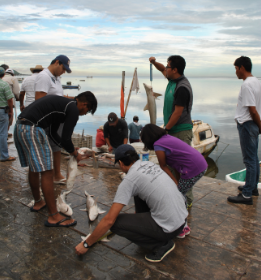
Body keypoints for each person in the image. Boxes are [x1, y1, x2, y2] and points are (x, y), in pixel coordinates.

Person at [75, 144, 188, 262]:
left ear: (121, 163)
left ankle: (161, 245)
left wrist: (86, 244)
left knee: (116, 224)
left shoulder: (129, 180)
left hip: (169, 229)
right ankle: (150, 229)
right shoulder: (149, 164)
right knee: (139, 192)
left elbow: (109, 220)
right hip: (182, 220)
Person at [14, 91, 97, 227]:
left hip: (20, 126)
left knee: (34, 168)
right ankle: (54, 216)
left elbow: (53, 134)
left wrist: (71, 149)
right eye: (87, 110)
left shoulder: (63, 106)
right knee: (47, 172)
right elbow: (65, 138)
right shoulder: (73, 109)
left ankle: (38, 202)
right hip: (33, 129)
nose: (84, 113)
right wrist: (75, 154)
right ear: (84, 104)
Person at [141, 124, 207, 237]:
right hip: (201, 164)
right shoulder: (167, 138)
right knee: (180, 193)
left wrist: (175, 183)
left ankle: (181, 227)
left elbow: (163, 166)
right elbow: (176, 164)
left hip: (193, 169)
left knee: (177, 196)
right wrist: (177, 181)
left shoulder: (158, 145)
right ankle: (183, 223)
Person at [149, 55, 194, 207]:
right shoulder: (172, 80)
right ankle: (177, 196)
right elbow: (162, 69)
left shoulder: (182, 87)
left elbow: (177, 113)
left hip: (180, 131)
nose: (165, 69)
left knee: (183, 169)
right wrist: (154, 62)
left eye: (168, 67)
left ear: (175, 70)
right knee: (174, 166)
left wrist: (165, 129)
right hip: (172, 130)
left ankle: (186, 201)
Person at [227, 56, 261, 205]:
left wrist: (260, 126)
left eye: (236, 68)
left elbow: (252, 111)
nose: (235, 72)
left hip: (247, 124)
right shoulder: (257, 82)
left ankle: (246, 195)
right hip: (252, 124)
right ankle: (252, 188)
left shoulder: (247, 85)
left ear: (241, 67)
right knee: (253, 158)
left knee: (249, 160)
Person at [35, 55, 72, 185]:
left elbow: (58, 96)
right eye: (63, 68)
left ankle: (57, 174)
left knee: (56, 146)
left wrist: (74, 100)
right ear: (57, 62)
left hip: (56, 118)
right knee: (46, 148)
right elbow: (39, 100)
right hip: (47, 119)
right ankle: (46, 175)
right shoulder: (44, 76)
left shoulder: (56, 78)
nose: (63, 72)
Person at [0, 67, 15, 162]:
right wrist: (11, 111)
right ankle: (4, 156)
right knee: (3, 133)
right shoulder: (4, 84)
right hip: (2, 111)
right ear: (3, 75)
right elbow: (10, 99)